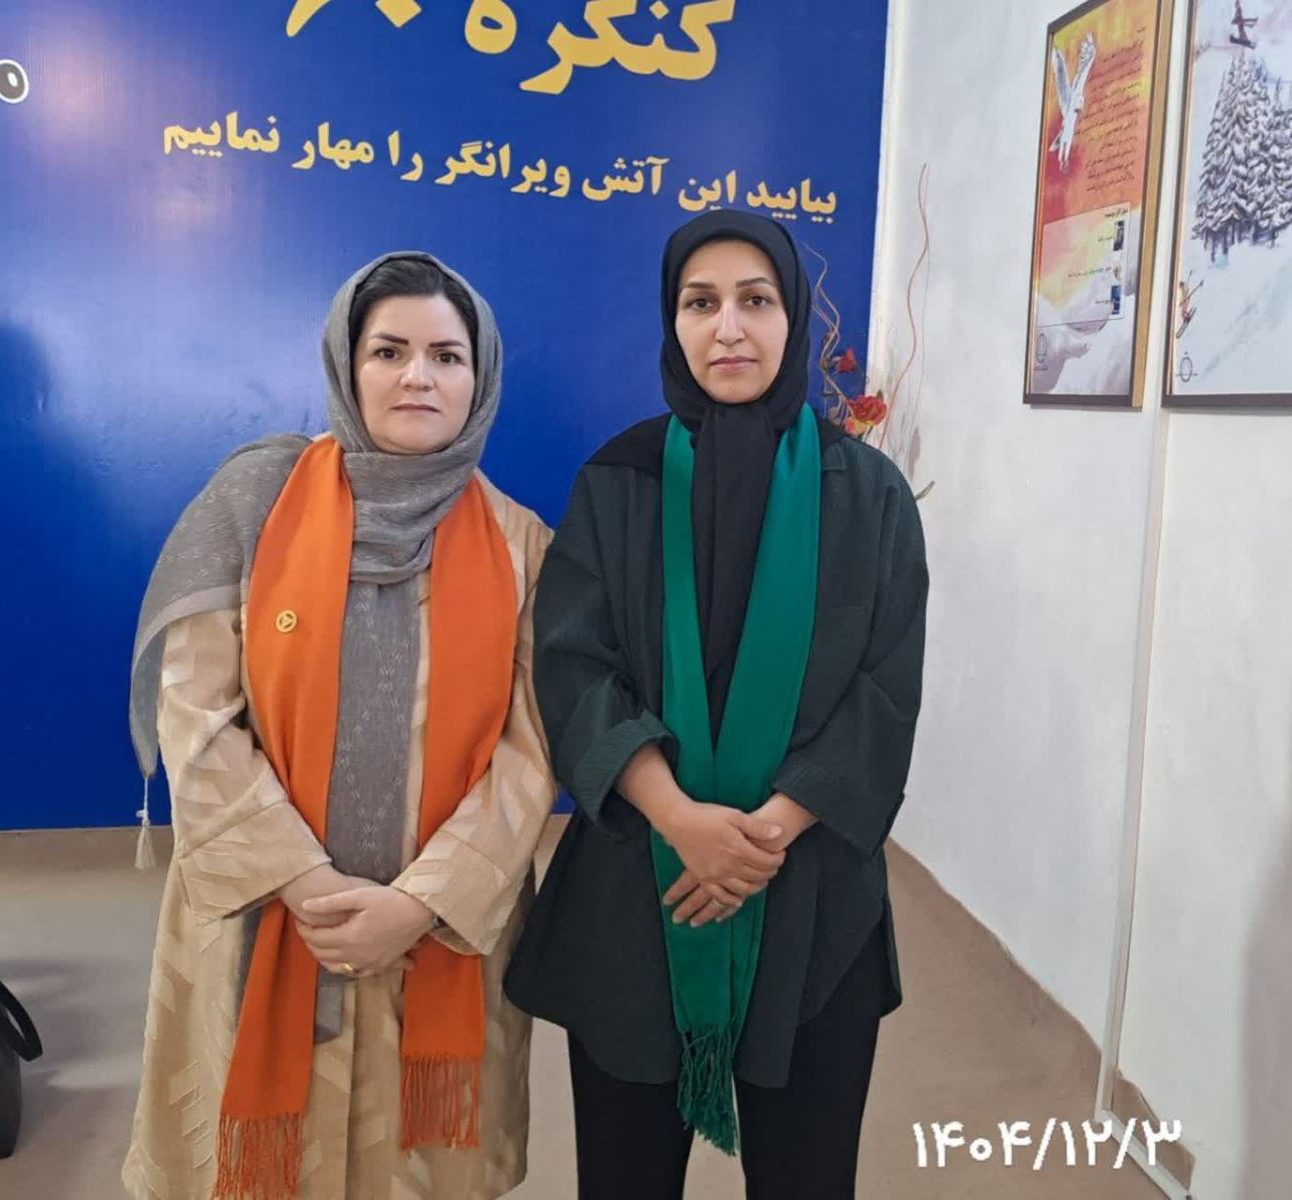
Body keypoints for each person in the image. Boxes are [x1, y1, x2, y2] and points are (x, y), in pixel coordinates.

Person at [505, 210, 929, 1200]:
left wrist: (760, 837)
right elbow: (572, 666)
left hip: (811, 894)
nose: (727, 327)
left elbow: (886, 688)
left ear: (794, 317)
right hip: (639, 886)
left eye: (755, 300)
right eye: (701, 303)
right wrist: (681, 819)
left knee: (805, 1177)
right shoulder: (618, 481)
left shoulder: (867, 495)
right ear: (673, 321)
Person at [122, 252, 557, 1200]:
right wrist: (306, 883)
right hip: (268, 913)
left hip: (437, 934)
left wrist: (420, 902)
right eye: (388, 351)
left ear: (480, 378)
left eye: (446, 356)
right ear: (345, 365)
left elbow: (531, 750)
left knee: (419, 1166)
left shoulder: (523, 545)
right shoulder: (253, 504)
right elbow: (194, 711)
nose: (417, 377)